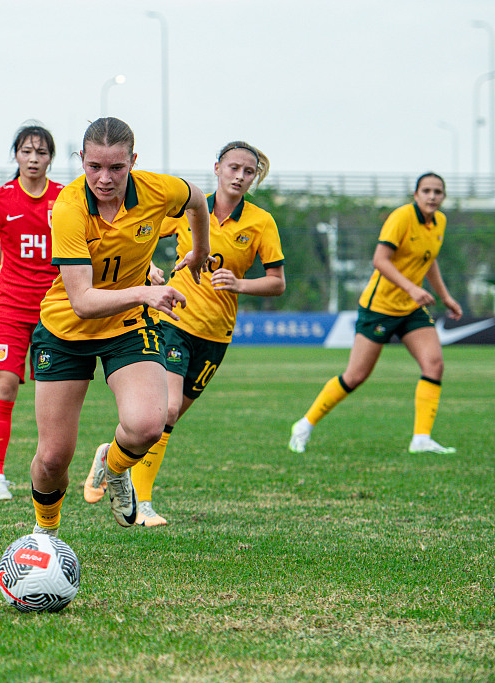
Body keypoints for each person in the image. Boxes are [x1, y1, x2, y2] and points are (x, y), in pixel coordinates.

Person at [82, 141, 285, 527]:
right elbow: (136, 240)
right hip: (173, 319)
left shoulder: (261, 222)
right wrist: (149, 272)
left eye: (248, 171)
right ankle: (142, 504)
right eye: (233, 168)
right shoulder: (191, 209)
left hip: (217, 335)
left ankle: (110, 458)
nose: (240, 176)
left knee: (167, 421)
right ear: (217, 168)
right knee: (168, 408)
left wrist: (241, 285)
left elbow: (277, 283)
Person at [27, 117, 209, 536]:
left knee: (149, 424)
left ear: (133, 162)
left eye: (116, 168)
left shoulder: (158, 189)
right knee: (53, 458)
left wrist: (201, 251)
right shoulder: (70, 208)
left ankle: (113, 466)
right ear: (81, 161)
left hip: (127, 324)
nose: (104, 179)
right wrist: (144, 292)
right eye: (94, 167)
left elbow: (198, 201)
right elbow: (84, 302)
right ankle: (45, 535)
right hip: (66, 328)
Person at [289, 172, 462, 455]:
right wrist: (411, 288)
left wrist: (445, 297)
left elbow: (429, 261)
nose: (433, 196)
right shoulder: (402, 217)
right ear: (415, 194)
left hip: (411, 308)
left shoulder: (439, 222)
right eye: (427, 191)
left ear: (443, 196)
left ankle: (421, 439)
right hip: (379, 308)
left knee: (434, 365)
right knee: (355, 376)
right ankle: (305, 424)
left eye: (438, 192)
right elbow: (379, 260)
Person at [0, 123, 64, 501]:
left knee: (53, 394)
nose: (33, 159)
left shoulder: (66, 199)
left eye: (41, 153)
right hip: (10, 306)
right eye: (27, 151)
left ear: (50, 158)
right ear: (16, 155)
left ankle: (49, 469)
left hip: (56, 310)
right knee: (6, 385)